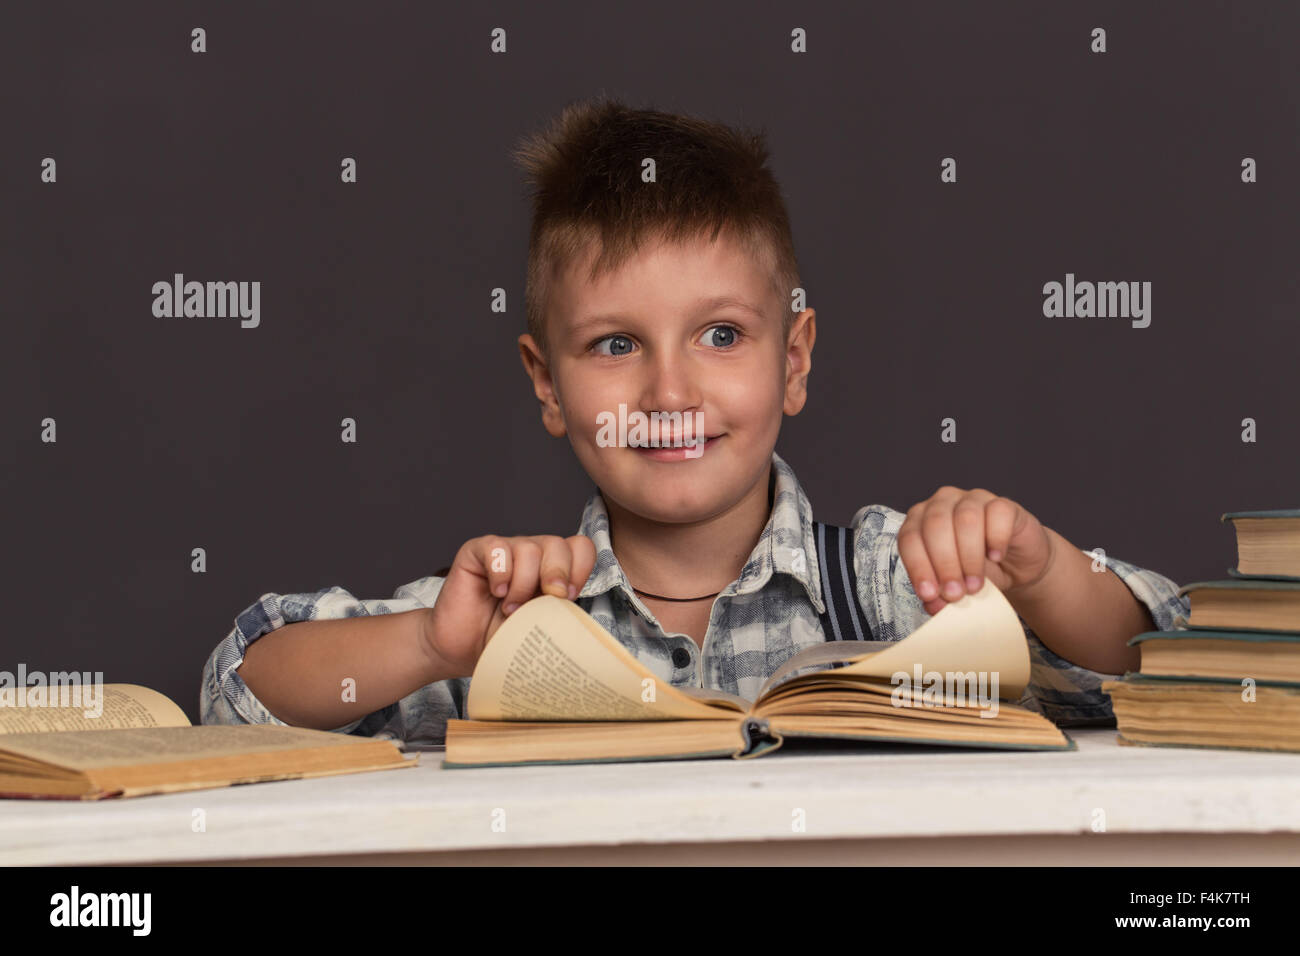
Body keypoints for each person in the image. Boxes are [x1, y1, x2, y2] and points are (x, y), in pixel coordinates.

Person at [201, 98, 1187, 745]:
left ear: (792, 359)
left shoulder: (901, 583)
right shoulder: (507, 623)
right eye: (616, 345)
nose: (670, 395)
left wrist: (1041, 568)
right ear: (546, 384)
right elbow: (241, 688)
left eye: (719, 334)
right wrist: (433, 644)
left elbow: (1160, 666)